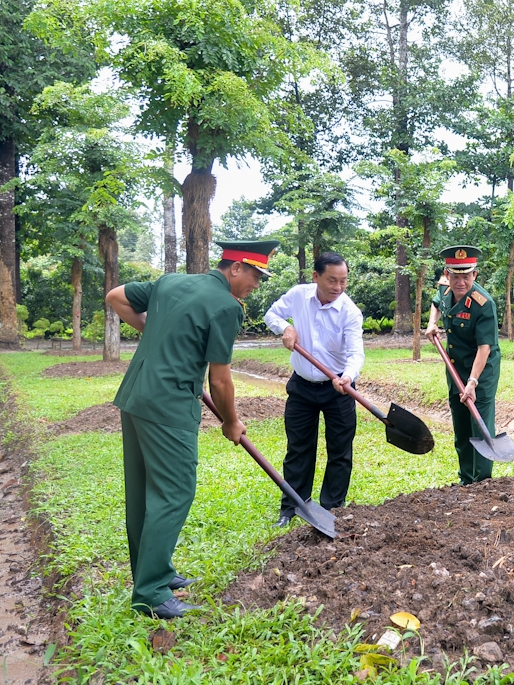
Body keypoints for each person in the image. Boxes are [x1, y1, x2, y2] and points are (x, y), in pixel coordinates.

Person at [104, 239, 276, 619]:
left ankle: (155, 573)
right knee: (175, 491)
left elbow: (116, 296)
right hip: (168, 406)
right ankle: (150, 592)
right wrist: (232, 422)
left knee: (144, 492)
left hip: (135, 397)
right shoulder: (227, 306)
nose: (256, 285)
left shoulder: (171, 282)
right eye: (255, 276)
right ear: (235, 267)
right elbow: (220, 382)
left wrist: (159, 337)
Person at [263, 251, 365, 526]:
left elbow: (356, 353)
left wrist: (348, 376)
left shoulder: (349, 312)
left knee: (340, 450)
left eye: (343, 282)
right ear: (315, 277)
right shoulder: (298, 296)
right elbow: (271, 314)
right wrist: (285, 328)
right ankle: (292, 507)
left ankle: (332, 509)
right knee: (298, 448)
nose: (338, 288)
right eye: (332, 281)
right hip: (302, 387)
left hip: (338, 389)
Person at [423, 245, 500, 484]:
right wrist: (431, 324)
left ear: (474, 275)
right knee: (461, 422)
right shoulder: (445, 292)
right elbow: (436, 304)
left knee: (480, 424)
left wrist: (473, 383)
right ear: (447, 274)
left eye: (466, 276)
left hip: (481, 370)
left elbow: (484, 348)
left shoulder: (483, 304)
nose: (461, 282)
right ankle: (466, 478)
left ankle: (483, 481)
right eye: (456, 276)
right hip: (455, 368)